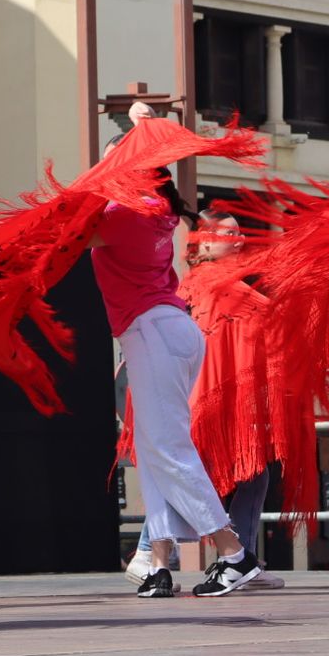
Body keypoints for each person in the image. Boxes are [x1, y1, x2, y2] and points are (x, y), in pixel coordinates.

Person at [95, 175, 263, 598]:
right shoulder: (157, 210)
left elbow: (61, 240)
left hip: (152, 331)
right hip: (169, 331)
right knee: (155, 452)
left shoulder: (123, 214)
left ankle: (234, 553)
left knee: (167, 450)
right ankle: (157, 565)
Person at [124, 211, 285, 591]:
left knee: (188, 471)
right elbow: (259, 341)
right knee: (223, 471)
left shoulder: (179, 288)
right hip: (205, 402)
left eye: (241, 233)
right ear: (205, 243)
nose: (241, 240)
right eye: (232, 233)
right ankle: (160, 554)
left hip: (181, 396)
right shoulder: (231, 292)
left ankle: (158, 556)